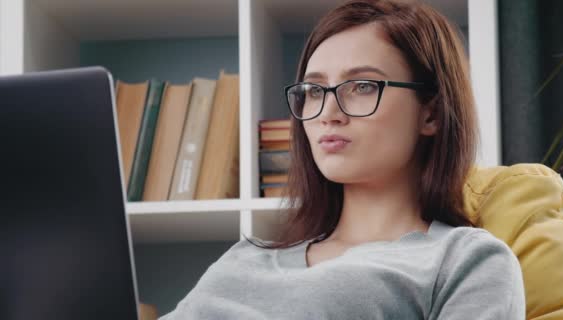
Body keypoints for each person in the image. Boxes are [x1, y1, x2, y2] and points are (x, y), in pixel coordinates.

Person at [159, 0, 525, 319]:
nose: (327, 113)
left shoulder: (465, 262)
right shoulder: (244, 259)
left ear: (431, 114)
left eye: (363, 86)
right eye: (313, 91)